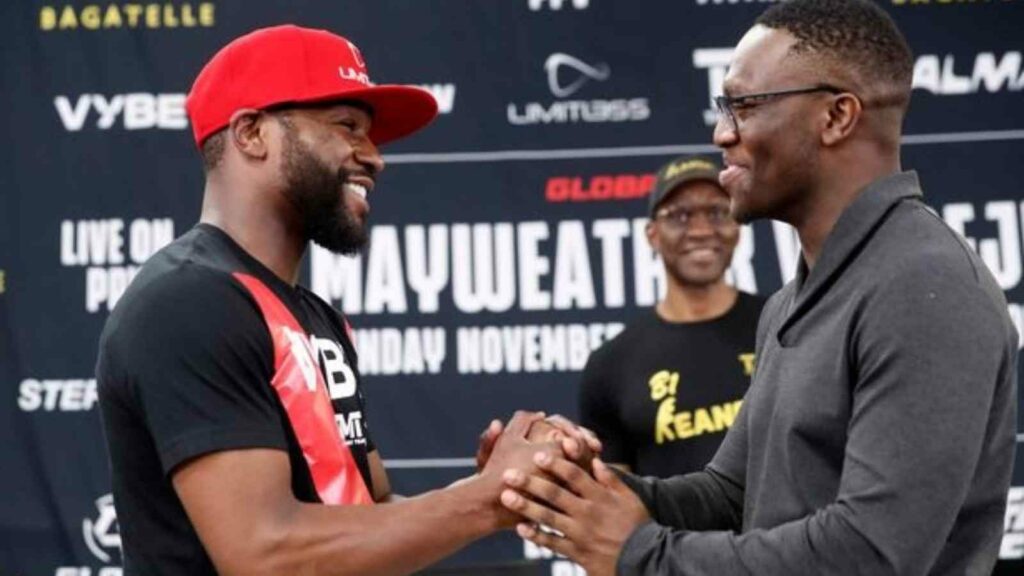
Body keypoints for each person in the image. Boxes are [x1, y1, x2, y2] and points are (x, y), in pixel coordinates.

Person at [497, 1, 1019, 575]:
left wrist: (639, 554)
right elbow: (731, 497)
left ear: (836, 117)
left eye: (743, 106)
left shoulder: (924, 286)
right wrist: (576, 487)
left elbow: (871, 554)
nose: (722, 133)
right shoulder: (792, 303)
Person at [95, 25, 591, 576]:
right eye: (346, 126)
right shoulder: (188, 302)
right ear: (252, 133)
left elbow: (366, 510)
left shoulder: (313, 316)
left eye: (370, 135)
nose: (374, 157)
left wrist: (502, 489)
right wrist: (480, 501)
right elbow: (265, 553)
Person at [579, 155, 765, 478]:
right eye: (679, 216)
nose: (701, 230)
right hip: (669, 531)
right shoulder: (610, 365)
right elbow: (612, 503)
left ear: (737, 224)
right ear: (652, 235)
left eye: (718, 212)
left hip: (784, 529)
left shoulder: (782, 325)